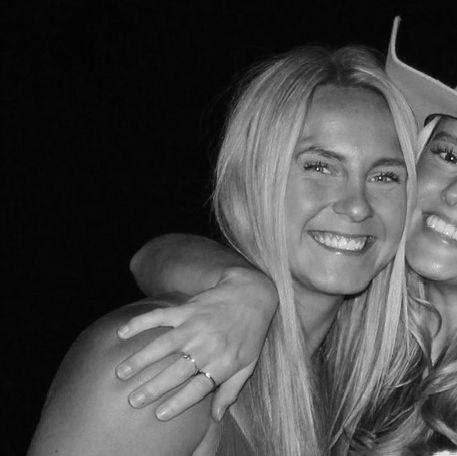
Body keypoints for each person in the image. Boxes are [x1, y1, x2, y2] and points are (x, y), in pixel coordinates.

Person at [27, 41, 420, 455]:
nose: (357, 206)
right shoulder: (165, 363)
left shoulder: (356, 393)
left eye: (385, 177)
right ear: (252, 180)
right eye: (320, 166)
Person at [112, 17, 457, 454]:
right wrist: (242, 288)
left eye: (381, 175)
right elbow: (148, 255)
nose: (455, 192)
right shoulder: (362, 329)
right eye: (450, 154)